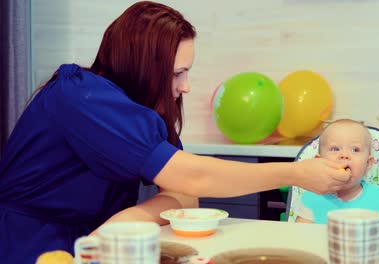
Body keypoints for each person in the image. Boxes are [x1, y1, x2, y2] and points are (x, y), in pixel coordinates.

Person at [0, 2, 351, 263]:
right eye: (177, 74)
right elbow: (194, 178)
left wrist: (129, 219)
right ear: (140, 67)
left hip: (99, 244)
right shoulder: (82, 97)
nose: (186, 87)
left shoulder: (144, 110)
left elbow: (185, 196)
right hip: (29, 245)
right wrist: (295, 173)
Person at [295, 119, 379, 229]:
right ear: (319, 161)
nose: (344, 155)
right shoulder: (312, 199)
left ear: (368, 163)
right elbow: (300, 238)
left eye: (355, 150)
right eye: (335, 149)